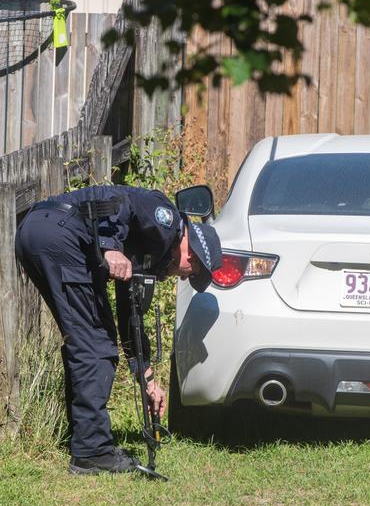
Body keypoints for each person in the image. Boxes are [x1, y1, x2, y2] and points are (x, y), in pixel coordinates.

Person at [14, 184, 222, 475]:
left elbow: (130, 316)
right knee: (96, 345)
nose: (184, 274)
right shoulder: (168, 221)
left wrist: (147, 378)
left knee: (86, 338)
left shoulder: (147, 251)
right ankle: (92, 451)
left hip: (36, 233)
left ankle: (84, 439)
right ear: (193, 253)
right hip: (61, 234)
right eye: (192, 269)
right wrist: (110, 248)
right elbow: (124, 203)